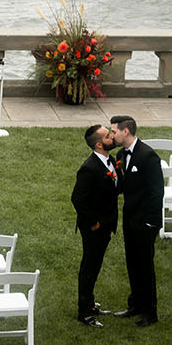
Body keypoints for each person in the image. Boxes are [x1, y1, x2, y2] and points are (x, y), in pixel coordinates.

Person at [110, 114, 162, 327]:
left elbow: (156, 191)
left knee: (145, 266)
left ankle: (150, 312)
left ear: (126, 131)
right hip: (130, 219)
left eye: (114, 131)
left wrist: (151, 222)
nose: (112, 135)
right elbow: (123, 185)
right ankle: (135, 305)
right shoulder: (122, 153)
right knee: (132, 262)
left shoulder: (148, 156)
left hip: (145, 222)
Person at [71, 124, 118, 327]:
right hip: (94, 228)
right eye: (109, 136)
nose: (112, 137)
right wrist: (94, 223)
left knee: (95, 264)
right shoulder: (89, 168)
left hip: (106, 223)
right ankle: (84, 311)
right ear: (99, 144)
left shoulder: (111, 161)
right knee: (89, 267)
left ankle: (90, 304)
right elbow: (77, 199)